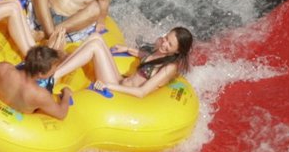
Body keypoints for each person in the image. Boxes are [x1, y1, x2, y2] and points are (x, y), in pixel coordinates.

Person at [48, 27, 192, 99]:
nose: (164, 42)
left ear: (177, 51)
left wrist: (108, 85)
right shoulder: (160, 51)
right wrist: (128, 49)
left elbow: (142, 92)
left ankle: (52, 76)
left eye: (170, 44)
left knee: (95, 47)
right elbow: (146, 56)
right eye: (166, 37)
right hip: (120, 80)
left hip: (120, 93)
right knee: (96, 36)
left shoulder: (169, 68)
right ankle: (60, 66)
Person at [0, 46, 73, 119]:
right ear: (41, 75)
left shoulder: (4, 69)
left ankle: (54, 47)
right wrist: (66, 95)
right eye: (53, 70)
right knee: (51, 80)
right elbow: (61, 114)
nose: (54, 71)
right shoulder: (41, 95)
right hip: (18, 120)